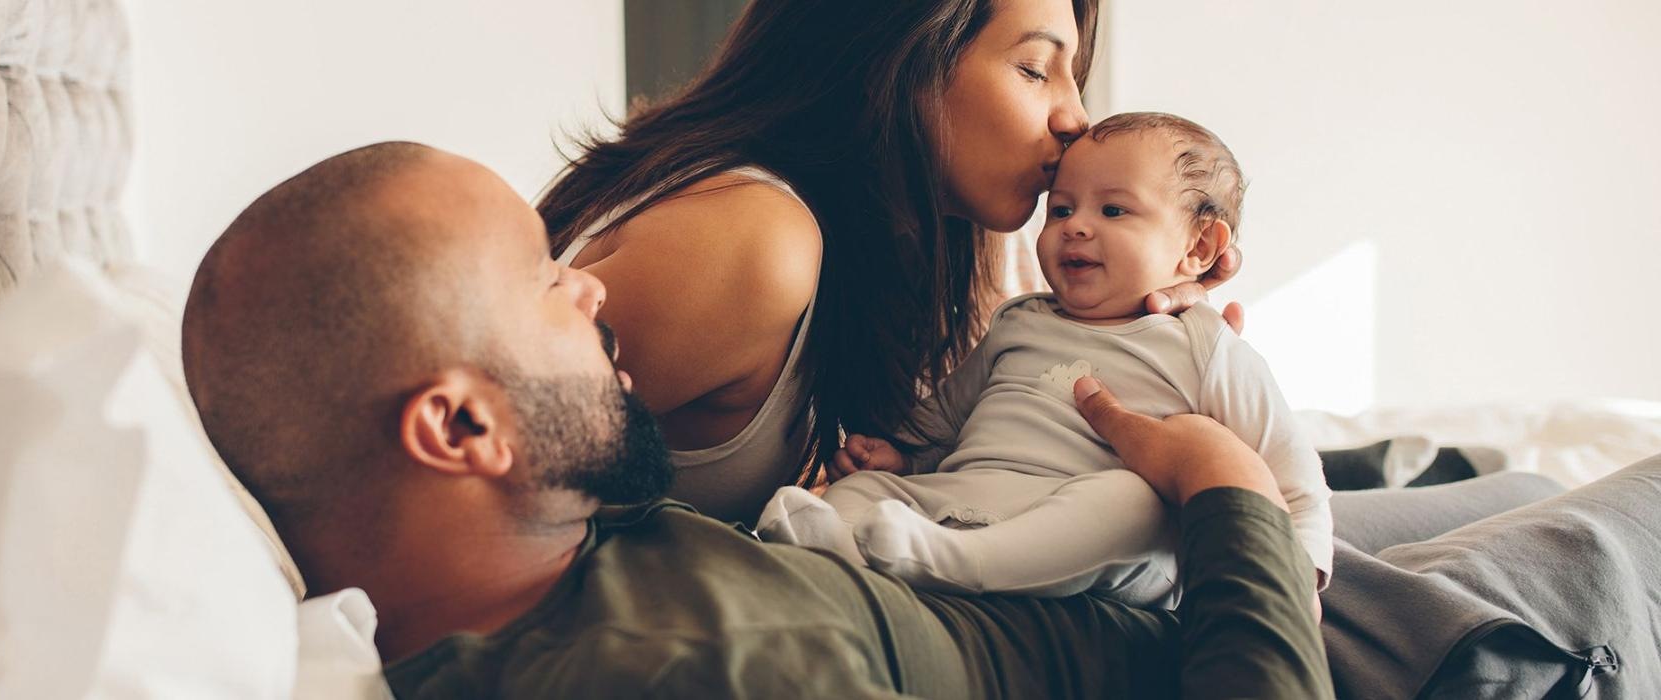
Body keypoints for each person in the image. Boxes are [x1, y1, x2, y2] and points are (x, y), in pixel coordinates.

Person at [182, 143, 1332, 698]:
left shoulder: (562, 535)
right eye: (544, 281)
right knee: (1519, 545)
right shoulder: (711, 675)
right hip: (1229, 631)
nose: (591, 286)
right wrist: (1222, 481)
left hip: (1158, 583)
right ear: (459, 431)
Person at [535, 0, 1246, 525]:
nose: (1076, 118)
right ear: (898, 57)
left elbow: (978, 470)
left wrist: (1146, 343)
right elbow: (465, 482)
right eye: (1036, 69)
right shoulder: (752, 240)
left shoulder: (912, 248)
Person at [757, 113, 1332, 608]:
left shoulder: (1203, 346)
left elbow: (1292, 474)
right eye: (1059, 210)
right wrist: (897, 455)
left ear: (1199, 248)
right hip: (969, 498)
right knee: (869, 492)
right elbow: (947, 419)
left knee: (1133, 502)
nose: (1075, 226)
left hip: (1089, 537)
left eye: (1112, 210)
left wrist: (1298, 576)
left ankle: (952, 561)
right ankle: (833, 543)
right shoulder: (1019, 319)